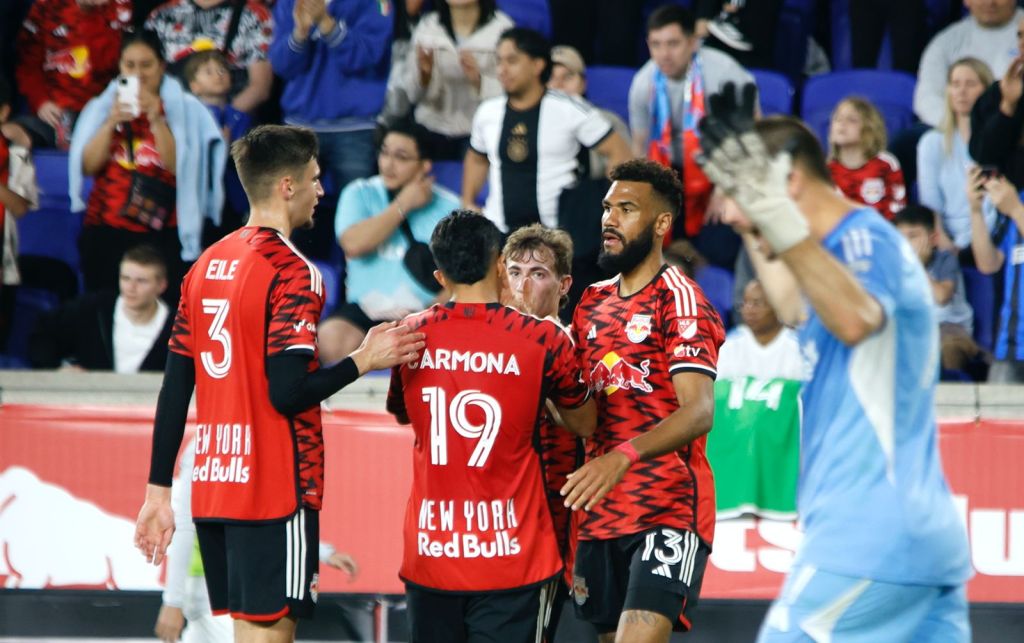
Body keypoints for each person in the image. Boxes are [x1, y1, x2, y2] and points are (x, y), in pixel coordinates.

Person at [698, 83, 972, 641]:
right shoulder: (838, 261)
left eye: (743, 197)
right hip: (910, 540)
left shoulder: (863, 239)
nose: (727, 213)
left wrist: (768, 210)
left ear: (788, 185)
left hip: (868, 536)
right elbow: (797, 303)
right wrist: (757, 223)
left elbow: (855, 318)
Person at [134, 125, 425, 643]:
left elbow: (175, 388)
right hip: (275, 487)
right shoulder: (292, 270)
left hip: (217, 484)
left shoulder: (204, 266)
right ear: (287, 186)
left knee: (249, 635)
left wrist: (157, 493)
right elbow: (286, 393)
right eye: (314, 179)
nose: (321, 191)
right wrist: (364, 358)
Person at [385, 210, 595, 643]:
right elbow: (586, 423)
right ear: (500, 264)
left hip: (432, 553)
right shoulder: (544, 340)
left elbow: (404, 412)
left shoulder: (408, 335)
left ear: (439, 275)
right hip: (512, 557)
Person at [561, 159, 725, 642]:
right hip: (599, 513)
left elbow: (699, 411)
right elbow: (584, 417)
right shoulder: (590, 301)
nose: (609, 219)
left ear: (660, 224)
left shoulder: (678, 298)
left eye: (626, 209)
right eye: (608, 208)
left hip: (667, 508)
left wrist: (624, 456)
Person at [69, 29, 226, 304]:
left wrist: (157, 119)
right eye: (130, 65)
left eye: (146, 65)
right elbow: (88, 167)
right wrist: (109, 123)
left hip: (163, 231)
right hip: (107, 226)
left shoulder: (186, 109)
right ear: (120, 67)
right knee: (104, 310)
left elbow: (179, 166)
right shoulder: (101, 107)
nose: (138, 74)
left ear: (161, 66)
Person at [154, 438, 359, 643]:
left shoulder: (259, 441)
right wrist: (173, 601)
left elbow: (270, 519)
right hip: (209, 590)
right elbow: (185, 525)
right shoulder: (204, 444)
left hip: (241, 586)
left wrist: (323, 552)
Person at [461, 27, 631, 232]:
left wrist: (605, 208)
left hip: (558, 235)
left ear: (537, 65)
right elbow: (477, 157)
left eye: (512, 61)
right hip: (500, 232)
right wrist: (468, 202)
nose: (502, 69)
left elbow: (619, 151)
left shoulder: (571, 108)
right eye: (499, 61)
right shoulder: (487, 112)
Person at [318, 121, 458, 364]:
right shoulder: (359, 192)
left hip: (425, 314)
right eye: (384, 153)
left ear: (424, 165)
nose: (388, 164)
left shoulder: (450, 207)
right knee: (330, 340)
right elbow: (353, 244)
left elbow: (461, 276)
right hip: (364, 310)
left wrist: (434, 309)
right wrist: (403, 205)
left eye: (401, 157)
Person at [501, 222, 579, 640]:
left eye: (537, 274)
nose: (522, 285)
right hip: (492, 523)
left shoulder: (570, 346)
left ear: (564, 284)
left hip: (548, 524)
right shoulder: (489, 346)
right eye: (514, 272)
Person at [628, 3, 753, 256]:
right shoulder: (643, 82)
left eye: (673, 43)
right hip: (669, 171)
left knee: (719, 239)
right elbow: (639, 146)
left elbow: (748, 138)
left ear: (693, 42)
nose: (664, 54)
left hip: (724, 170)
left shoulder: (725, 73)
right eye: (656, 44)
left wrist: (724, 189)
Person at [269, 0, 393, 199]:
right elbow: (282, 66)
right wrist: (300, 34)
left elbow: (368, 57)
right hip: (300, 126)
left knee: (357, 215)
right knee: (290, 217)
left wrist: (327, 24)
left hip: (355, 128)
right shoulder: (288, 3)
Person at [4, 0, 132, 150]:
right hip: (55, 115)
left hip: (105, 113)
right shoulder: (46, 7)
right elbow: (27, 65)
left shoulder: (120, 7)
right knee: (9, 133)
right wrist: (41, 101)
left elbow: (118, 65)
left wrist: (91, 15)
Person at [28, 245, 174, 372]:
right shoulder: (93, 309)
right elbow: (43, 332)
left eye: (141, 281)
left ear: (161, 286)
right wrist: (56, 369)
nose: (130, 288)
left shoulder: (178, 326)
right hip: (91, 399)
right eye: (125, 278)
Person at [401, 0, 513, 161]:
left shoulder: (502, 29)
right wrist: (424, 77)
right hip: (430, 130)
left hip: (480, 132)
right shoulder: (427, 27)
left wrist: (480, 81)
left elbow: (513, 90)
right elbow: (411, 94)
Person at [895, 205, 985, 377]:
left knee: (949, 345)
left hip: (950, 328)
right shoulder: (894, 267)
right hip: (914, 330)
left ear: (934, 239)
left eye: (913, 236)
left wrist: (917, 266)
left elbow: (942, 296)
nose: (906, 244)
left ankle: (952, 396)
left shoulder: (945, 260)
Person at [918, 57, 996, 252]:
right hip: (948, 241)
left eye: (970, 84)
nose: (961, 91)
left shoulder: (1000, 140)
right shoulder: (931, 142)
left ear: (987, 91)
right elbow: (930, 205)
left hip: (994, 236)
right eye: (955, 84)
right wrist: (947, 247)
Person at [145, 0, 273, 115]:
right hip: (173, 120)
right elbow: (146, 78)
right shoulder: (161, 16)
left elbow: (260, 87)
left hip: (231, 125)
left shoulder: (254, 14)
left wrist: (223, 121)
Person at [914, 0, 1023, 127]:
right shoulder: (946, 41)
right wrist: (958, 128)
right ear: (966, 1)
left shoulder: (1022, 25)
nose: (989, 2)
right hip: (954, 128)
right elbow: (927, 96)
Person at [968, 166, 1024, 382]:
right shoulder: (1016, 200)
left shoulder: (1015, 205)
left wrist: (1017, 211)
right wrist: (975, 210)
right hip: (1010, 347)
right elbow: (988, 264)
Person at [547, 44, 632, 181]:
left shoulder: (609, 122)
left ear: (583, 83)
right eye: (551, 78)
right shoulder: (532, 123)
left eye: (567, 77)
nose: (558, 85)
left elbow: (627, 175)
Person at [827, 97, 907, 221]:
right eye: (837, 119)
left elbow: (897, 212)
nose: (842, 124)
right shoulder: (825, 171)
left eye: (852, 120)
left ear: (870, 129)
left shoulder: (886, 165)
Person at [968, 16, 1024, 188]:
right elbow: (982, 155)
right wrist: (1007, 107)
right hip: (1011, 204)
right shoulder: (999, 92)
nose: (1022, 43)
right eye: (1020, 35)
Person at [717, 279, 802, 381]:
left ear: (776, 306)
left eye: (757, 303)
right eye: (745, 303)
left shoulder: (798, 346)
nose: (748, 310)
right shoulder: (729, 345)